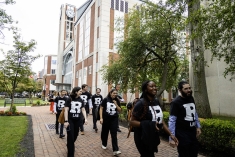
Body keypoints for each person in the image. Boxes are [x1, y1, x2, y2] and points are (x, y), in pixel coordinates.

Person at [130, 80, 178, 157]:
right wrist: (150, 124)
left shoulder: (156, 102)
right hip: (142, 136)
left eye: (155, 86)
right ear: (145, 89)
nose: (154, 88)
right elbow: (132, 122)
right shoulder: (140, 103)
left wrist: (170, 134)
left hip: (152, 136)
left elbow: (161, 120)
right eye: (151, 86)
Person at [169, 81, 201, 157]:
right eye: (186, 89)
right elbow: (172, 120)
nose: (189, 90)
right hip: (182, 133)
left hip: (192, 132)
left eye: (189, 88)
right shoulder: (175, 102)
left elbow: (194, 113)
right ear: (180, 90)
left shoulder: (191, 98)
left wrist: (198, 126)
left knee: (194, 152)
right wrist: (171, 137)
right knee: (184, 154)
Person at [64, 87, 88, 157]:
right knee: (71, 136)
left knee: (76, 135)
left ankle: (69, 144)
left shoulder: (81, 100)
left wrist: (85, 119)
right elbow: (66, 110)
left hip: (78, 120)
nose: (81, 92)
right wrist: (66, 121)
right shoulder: (69, 99)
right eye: (80, 91)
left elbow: (83, 109)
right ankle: (70, 154)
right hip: (70, 120)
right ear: (76, 92)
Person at [100, 88, 122, 156]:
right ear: (110, 93)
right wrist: (101, 118)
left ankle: (115, 149)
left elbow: (120, 111)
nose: (115, 94)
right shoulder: (106, 99)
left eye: (116, 93)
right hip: (106, 118)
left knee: (114, 134)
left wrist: (116, 104)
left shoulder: (117, 100)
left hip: (114, 119)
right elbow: (101, 108)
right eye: (114, 93)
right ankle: (104, 143)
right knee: (105, 132)